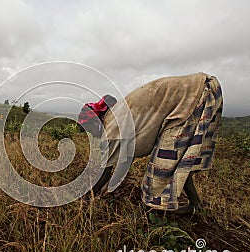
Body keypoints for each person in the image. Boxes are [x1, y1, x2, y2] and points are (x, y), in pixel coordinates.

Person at [79, 73, 223, 214]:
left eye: (89, 129)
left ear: (95, 122)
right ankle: (196, 204)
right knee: (178, 159)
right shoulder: (116, 116)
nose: (91, 134)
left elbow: (105, 172)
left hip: (193, 97)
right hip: (202, 90)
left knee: (164, 165)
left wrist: (86, 198)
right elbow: (125, 159)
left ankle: (162, 211)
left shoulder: (111, 131)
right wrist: (110, 187)